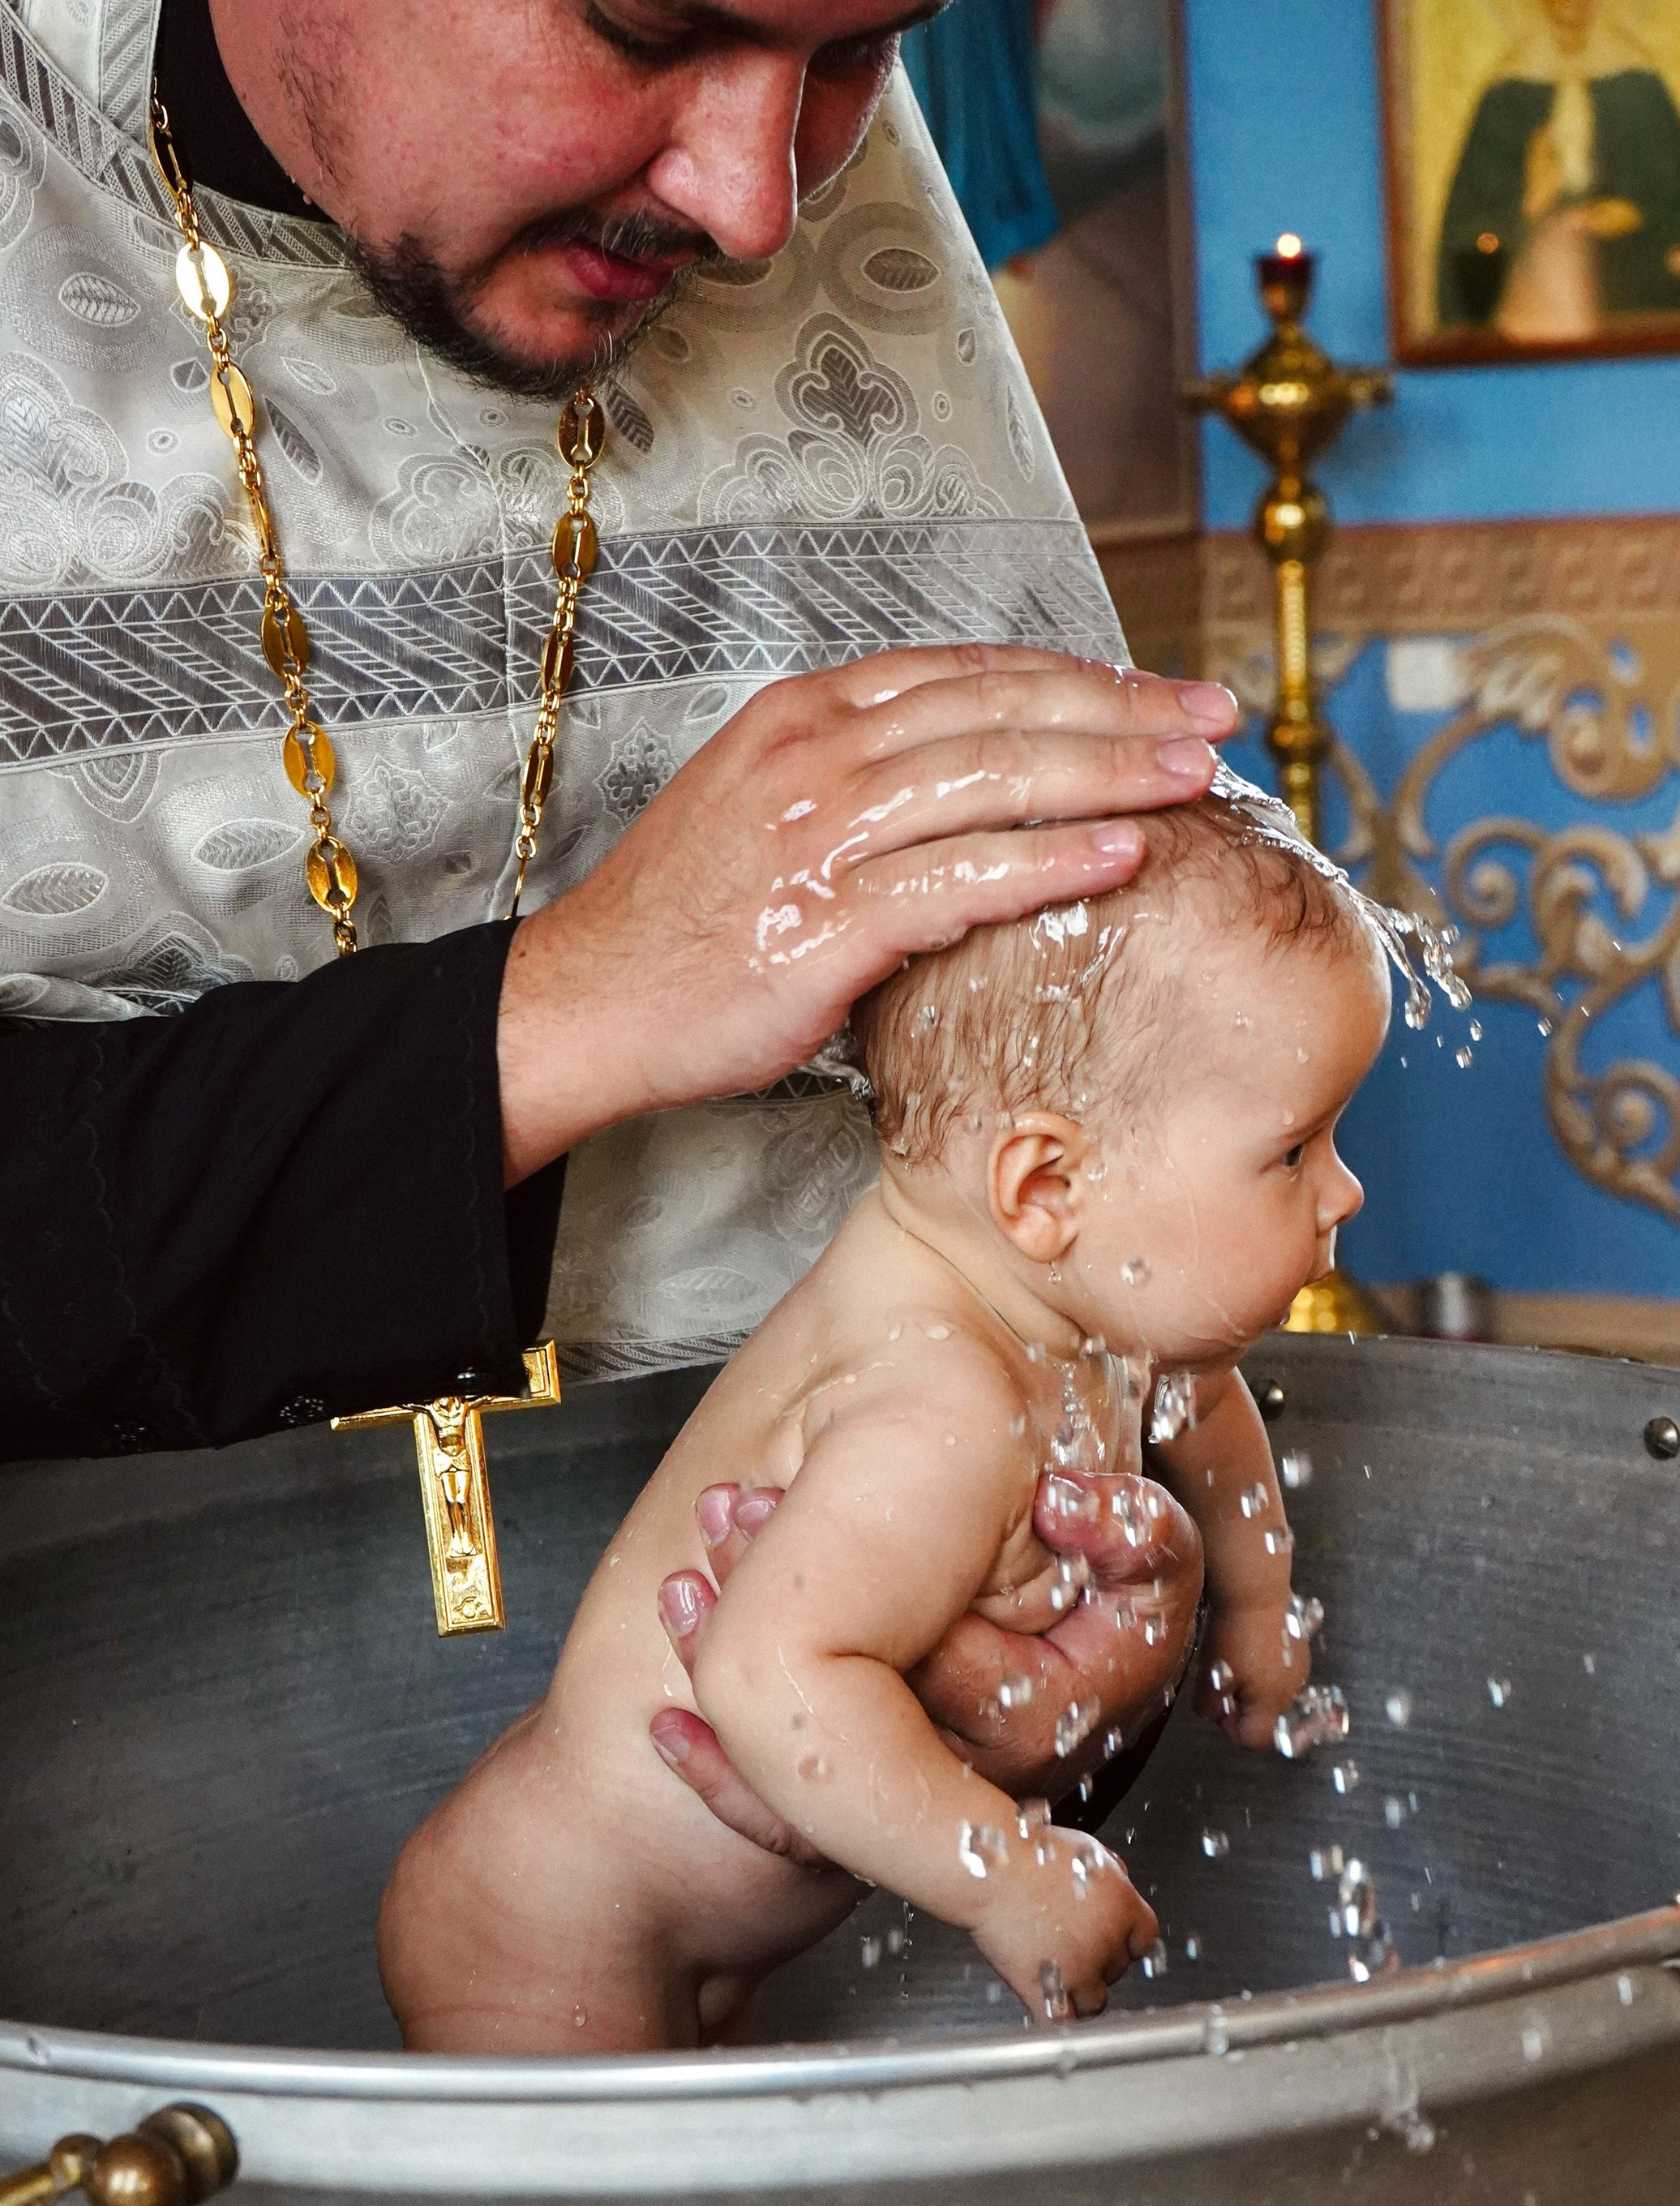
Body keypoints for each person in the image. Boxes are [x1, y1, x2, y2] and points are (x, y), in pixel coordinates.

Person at [0, 0, 1221, 1826]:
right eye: (642, 26)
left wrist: (1049, 1495)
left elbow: (1058, 1132)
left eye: (864, 56)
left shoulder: (774, 146)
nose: (753, 213)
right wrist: (562, 1012)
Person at [378, 775, 1393, 2050]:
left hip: (688, 1922)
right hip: (555, 1929)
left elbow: (1200, 1401)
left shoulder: (1070, 1294)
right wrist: (1006, 1874)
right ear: (1046, 1185)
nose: (1347, 1192)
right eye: (1295, 1151)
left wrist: (1256, 1602)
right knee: (617, 2192)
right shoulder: (941, 1404)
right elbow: (763, 1674)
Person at [1436, 0, 1680, 344]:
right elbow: (1462, 250)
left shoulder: (1641, 88)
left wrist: (1637, 215)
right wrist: (1527, 205)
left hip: (1629, 301)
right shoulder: (1505, 97)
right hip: (1529, 307)